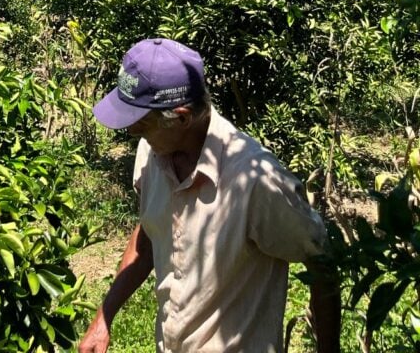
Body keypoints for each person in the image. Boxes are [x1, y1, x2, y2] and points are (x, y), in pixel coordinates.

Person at [78, 38, 341, 353]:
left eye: (141, 124)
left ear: (182, 117)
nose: (132, 132)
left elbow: (321, 261)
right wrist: (104, 317)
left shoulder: (256, 181)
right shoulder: (151, 151)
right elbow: (148, 233)